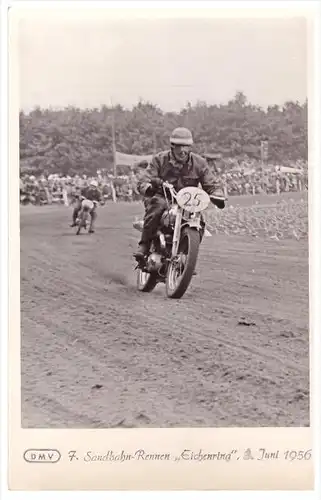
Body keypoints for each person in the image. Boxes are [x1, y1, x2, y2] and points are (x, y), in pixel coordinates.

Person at [133, 127, 226, 261]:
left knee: (199, 222)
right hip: (162, 196)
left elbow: (210, 183)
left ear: (190, 147)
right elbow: (144, 180)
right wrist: (149, 187)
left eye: (186, 146)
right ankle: (144, 245)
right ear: (172, 146)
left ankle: (187, 257)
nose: (183, 151)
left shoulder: (199, 163)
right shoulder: (159, 159)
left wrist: (217, 194)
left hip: (187, 201)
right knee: (157, 207)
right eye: (179, 146)